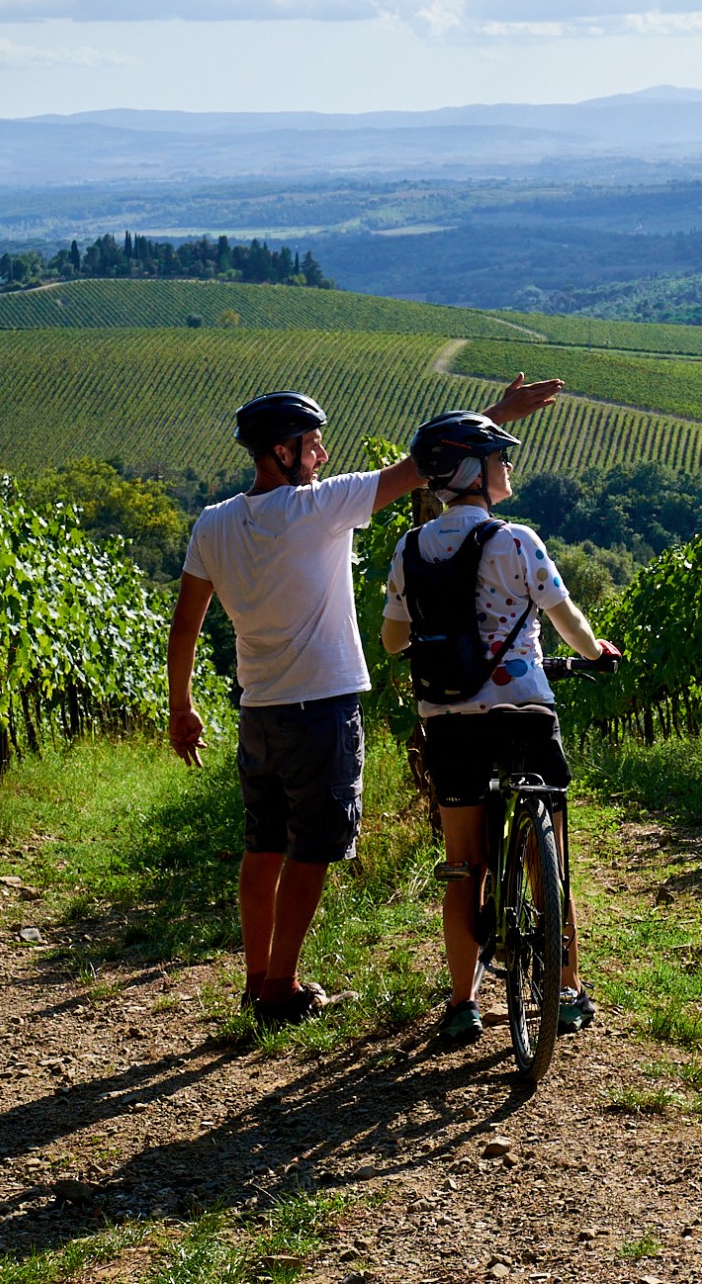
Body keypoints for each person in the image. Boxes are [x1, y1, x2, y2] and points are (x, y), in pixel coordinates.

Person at [166, 377, 562, 1029]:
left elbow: (185, 625)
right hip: (319, 709)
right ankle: (280, 989)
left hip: (257, 712)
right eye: (314, 445)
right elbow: (426, 464)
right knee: (311, 850)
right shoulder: (320, 507)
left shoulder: (213, 525)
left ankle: (257, 978)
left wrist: (182, 707)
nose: (322, 456)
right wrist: (499, 414)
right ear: (281, 453)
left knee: (262, 847)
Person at [379, 410, 618, 1045]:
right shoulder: (517, 541)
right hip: (522, 714)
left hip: (448, 721)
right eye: (497, 458)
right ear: (471, 471)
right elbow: (566, 619)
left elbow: (392, 639)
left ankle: (463, 1003)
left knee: (464, 863)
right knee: (553, 855)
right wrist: (595, 653)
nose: (507, 467)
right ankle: (563, 991)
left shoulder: (411, 549)